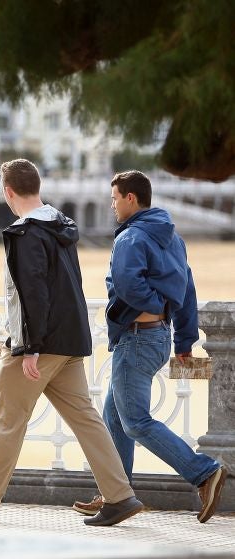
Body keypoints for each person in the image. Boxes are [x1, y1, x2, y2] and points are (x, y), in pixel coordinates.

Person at [0, 159, 143, 527]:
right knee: (86, 418)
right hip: (71, 339)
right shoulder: (60, 225)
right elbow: (66, 286)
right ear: (37, 186)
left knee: (8, 418)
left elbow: (34, 291)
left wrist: (30, 346)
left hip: (41, 342)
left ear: (8, 192)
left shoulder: (26, 233)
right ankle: (120, 495)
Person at [71, 170, 227, 523]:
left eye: (115, 199)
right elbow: (187, 291)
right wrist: (185, 340)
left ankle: (204, 472)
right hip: (159, 337)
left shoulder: (130, 238)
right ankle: (117, 495)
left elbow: (127, 283)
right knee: (114, 414)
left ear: (131, 198)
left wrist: (151, 303)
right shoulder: (173, 237)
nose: (112, 205)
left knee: (136, 421)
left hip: (138, 338)